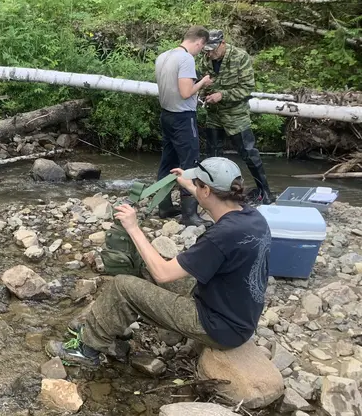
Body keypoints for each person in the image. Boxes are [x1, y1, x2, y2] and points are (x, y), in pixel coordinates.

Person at [46, 157, 271, 368]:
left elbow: (163, 274)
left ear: (207, 190)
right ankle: (109, 321)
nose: (194, 185)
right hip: (237, 315)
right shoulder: (252, 217)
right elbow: (216, 204)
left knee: (123, 285)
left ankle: (86, 351)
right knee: (144, 266)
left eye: (197, 183)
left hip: (217, 327)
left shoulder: (220, 237)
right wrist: (189, 186)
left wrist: (133, 227)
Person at [199, 30, 273, 204]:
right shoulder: (205, 59)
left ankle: (266, 193)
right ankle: (217, 195)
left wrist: (222, 95)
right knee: (213, 155)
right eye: (206, 51)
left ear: (222, 44)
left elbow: (247, 88)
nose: (209, 54)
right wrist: (203, 95)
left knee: (249, 154)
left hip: (236, 115)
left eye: (212, 50)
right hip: (214, 115)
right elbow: (203, 83)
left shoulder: (240, 57)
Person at [154, 26, 214, 226]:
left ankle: (164, 207)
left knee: (167, 162)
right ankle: (190, 215)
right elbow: (186, 92)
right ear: (199, 42)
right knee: (189, 162)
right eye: (202, 47)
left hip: (166, 115)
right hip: (183, 117)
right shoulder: (186, 59)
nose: (200, 51)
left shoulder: (163, 56)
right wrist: (203, 82)